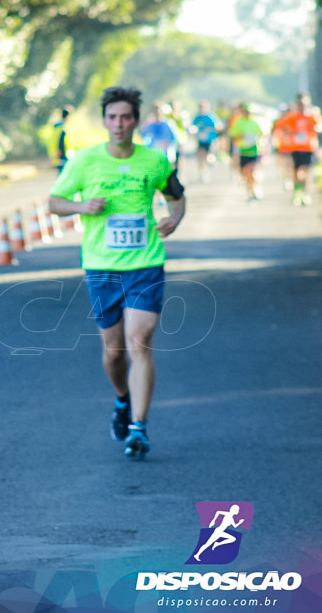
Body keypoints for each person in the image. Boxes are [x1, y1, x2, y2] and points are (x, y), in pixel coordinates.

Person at [48, 86, 186, 461]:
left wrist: (174, 218)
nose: (119, 124)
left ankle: (139, 427)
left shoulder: (155, 160)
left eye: (126, 117)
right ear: (105, 121)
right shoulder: (85, 161)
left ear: (135, 120)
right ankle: (123, 400)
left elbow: (177, 195)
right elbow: (54, 203)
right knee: (113, 351)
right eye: (112, 117)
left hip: (145, 263)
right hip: (102, 266)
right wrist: (81, 205)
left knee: (139, 341)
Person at [272, 93, 322, 206]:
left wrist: (317, 127)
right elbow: (284, 127)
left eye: (305, 104)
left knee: (307, 170)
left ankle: (306, 194)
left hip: (309, 147)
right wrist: (290, 132)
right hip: (295, 147)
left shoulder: (312, 115)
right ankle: (297, 193)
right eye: (301, 104)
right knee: (296, 171)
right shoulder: (292, 116)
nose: (303, 106)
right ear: (297, 104)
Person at [227, 104, 264, 202]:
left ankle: (255, 190)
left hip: (255, 150)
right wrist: (241, 136)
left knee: (253, 171)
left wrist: (260, 140)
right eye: (245, 112)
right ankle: (250, 191)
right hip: (243, 150)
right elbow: (232, 134)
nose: (247, 114)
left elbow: (263, 133)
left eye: (249, 112)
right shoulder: (238, 122)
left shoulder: (256, 121)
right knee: (245, 173)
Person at [190, 101, 221, 182]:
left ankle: (210, 163)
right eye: (200, 107)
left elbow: (218, 126)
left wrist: (209, 130)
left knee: (208, 157)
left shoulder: (210, 116)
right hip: (201, 140)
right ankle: (203, 173)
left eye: (203, 107)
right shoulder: (197, 117)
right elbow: (193, 126)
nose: (201, 109)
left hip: (210, 140)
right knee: (200, 157)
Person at [49, 106, 74, 173]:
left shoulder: (57, 128)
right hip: (63, 157)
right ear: (68, 117)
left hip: (60, 157)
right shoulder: (62, 129)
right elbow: (61, 143)